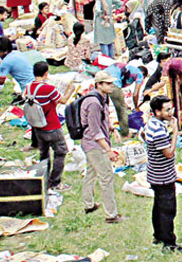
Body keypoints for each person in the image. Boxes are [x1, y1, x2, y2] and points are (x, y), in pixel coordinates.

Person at [144, 95, 182, 252]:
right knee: (168, 209)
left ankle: (158, 235)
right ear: (157, 111)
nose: (171, 112)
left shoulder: (152, 124)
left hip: (155, 173)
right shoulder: (159, 131)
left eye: (171, 108)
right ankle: (169, 243)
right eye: (167, 110)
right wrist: (175, 132)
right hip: (163, 176)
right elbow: (168, 153)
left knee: (159, 206)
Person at [82, 71, 123, 223]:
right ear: (98, 85)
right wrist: (108, 150)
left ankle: (89, 204)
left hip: (93, 143)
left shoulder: (103, 98)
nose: (111, 86)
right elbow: (94, 130)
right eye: (108, 83)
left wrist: (113, 129)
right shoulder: (93, 102)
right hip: (94, 145)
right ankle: (111, 215)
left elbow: (103, 119)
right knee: (106, 177)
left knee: (91, 173)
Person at [28, 61, 75, 193]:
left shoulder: (29, 88)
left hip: (38, 126)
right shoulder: (48, 89)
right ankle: (55, 182)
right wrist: (70, 89)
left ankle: (43, 179)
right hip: (52, 125)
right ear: (46, 73)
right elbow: (64, 101)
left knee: (44, 154)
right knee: (60, 152)